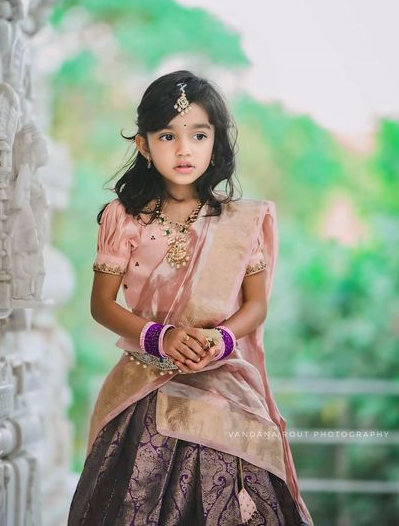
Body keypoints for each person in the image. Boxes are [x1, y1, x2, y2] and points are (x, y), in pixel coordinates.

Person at [67, 70, 314, 526]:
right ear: (144, 145)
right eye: (168, 136)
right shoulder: (124, 217)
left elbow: (256, 305)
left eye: (198, 135)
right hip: (146, 382)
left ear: (215, 141)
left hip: (223, 380)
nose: (184, 149)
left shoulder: (242, 221)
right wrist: (159, 337)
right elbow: (101, 304)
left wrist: (221, 340)